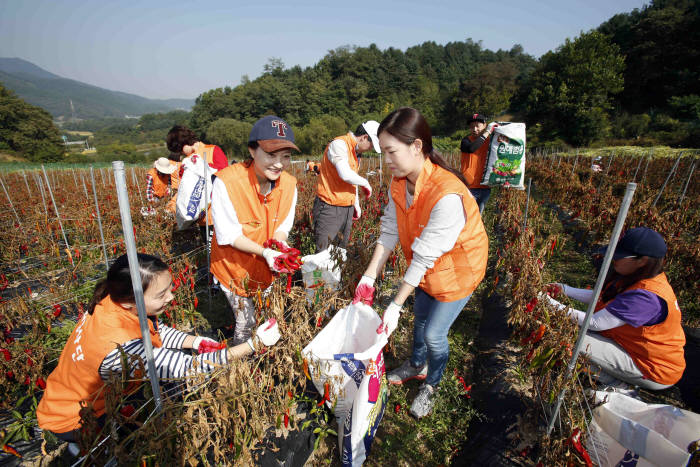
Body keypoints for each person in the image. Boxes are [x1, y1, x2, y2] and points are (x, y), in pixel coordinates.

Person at [36, 253, 280, 442]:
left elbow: (155, 330)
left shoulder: (111, 301)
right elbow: (190, 368)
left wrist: (194, 341)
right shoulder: (117, 347)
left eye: (170, 288)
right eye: (161, 294)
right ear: (132, 300)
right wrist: (252, 344)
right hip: (71, 418)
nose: (171, 297)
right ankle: (77, 446)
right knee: (124, 448)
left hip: (64, 394)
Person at [353, 107, 488, 418]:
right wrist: (370, 277)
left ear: (416, 147)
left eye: (390, 151)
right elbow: (389, 228)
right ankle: (416, 364)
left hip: (458, 272)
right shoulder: (400, 182)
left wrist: (395, 303)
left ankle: (432, 384)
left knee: (433, 335)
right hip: (428, 270)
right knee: (420, 322)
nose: (385, 160)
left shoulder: (447, 195)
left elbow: (426, 254)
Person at [545, 227, 686, 390]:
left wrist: (549, 303)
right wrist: (564, 289)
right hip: (631, 348)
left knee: (566, 337)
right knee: (567, 331)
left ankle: (618, 385)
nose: (613, 258)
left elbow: (595, 323)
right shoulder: (635, 277)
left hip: (652, 367)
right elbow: (601, 297)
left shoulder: (647, 297)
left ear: (642, 260)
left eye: (620, 256)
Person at [210, 116, 299, 345]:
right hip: (233, 269)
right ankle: (240, 364)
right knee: (246, 321)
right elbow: (229, 235)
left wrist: (279, 247)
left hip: (265, 271)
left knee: (266, 315)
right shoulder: (227, 182)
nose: (279, 163)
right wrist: (266, 253)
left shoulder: (288, 184)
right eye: (271, 154)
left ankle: (262, 354)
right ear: (252, 150)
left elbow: (282, 226)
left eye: (286, 156)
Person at [313, 121, 381, 251]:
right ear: (364, 137)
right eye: (371, 145)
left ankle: (336, 272)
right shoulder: (339, 144)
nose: (370, 149)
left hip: (346, 207)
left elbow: (351, 180)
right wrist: (366, 183)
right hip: (329, 207)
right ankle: (318, 272)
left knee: (339, 252)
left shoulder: (356, 153)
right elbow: (345, 174)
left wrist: (355, 203)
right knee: (323, 254)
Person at [166, 125, 229, 238]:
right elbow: (185, 190)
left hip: (220, 213)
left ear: (183, 142)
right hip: (203, 218)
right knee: (210, 251)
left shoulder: (212, 150)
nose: (181, 154)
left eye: (180, 150)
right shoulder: (186, 163)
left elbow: (226, 175)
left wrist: (202, 167)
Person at [459, 113, 499, 213]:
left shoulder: (491, 142)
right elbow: (472, 148)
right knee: (467, 217)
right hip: (469, 187)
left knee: (478, 217)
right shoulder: (466, 141)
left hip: (485, 187)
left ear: (484, 125)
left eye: (477, 126)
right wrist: (487, 132)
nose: (474, 129)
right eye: (472, 126)